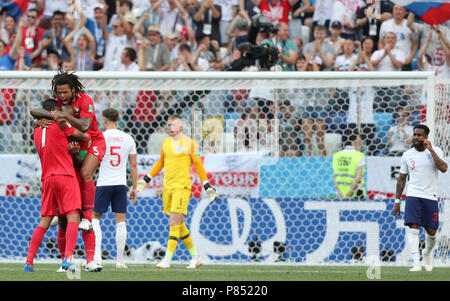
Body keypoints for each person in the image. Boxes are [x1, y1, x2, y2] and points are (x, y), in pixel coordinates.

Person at [30, 71, 106, 272]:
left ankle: (89, 220)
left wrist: (61, 115)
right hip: (73, 147)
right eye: (59, 92)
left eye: (65, 92)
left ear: (73, 89)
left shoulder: (85, 100)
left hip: (91, 142)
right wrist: (47, 117)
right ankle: (65, 261)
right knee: (68, 215)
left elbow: (86, 126)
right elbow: (35, 111)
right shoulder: (55, 101)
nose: (62, 96)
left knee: (85, 175)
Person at [136, 115, 218, 269]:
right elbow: (161, 162)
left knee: (173, 221)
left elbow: (198, 165)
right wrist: (146, 179)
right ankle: (195, 257)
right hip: (168, 187)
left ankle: (167, 259)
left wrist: (206, 185)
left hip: (182, 186)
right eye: (168, 124)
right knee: (179, 224)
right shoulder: (166, 142)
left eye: (173, 124)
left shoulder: (190, 143)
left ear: (181, 126)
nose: (170, 127)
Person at [24, 99, 90, 272]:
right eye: (59, 110)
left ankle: (28, 262)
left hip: (47, 178)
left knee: (45, 220)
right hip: (66, 176)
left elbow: (35, 113)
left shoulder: (37, 130)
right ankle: (67, 259)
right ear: (54, 111)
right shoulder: (61, 125)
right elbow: (84, 135)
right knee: (73, 216)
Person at [394, 124, 447, 272]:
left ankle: (427, 253)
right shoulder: (407, 155)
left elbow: (443, 168)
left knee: (432, 232)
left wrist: (430, 150)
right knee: (414, 230)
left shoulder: (436, 151)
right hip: (413, 195)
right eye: (415, 135)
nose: (416, 138)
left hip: (430, 197)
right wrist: (397, 201)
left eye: (419, 135)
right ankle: (416, 263)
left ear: (426, 137)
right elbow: (401, 179)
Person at [92, 108, 138, 269]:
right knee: (121, 221)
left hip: (104, 183)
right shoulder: (128, 138)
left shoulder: (100, 137)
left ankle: (97, 258)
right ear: (117, 119)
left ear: (104, 120)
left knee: (95, 218)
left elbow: (94, 161)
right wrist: (135, 187)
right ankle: (120, 261)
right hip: (120, 184)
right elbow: (133, 165)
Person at [332, 134, 367, 199]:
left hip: (340, 194)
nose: (361, 143)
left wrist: (341, 195)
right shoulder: (360, 156)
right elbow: (358, 178)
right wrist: (348, 196)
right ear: (352, 142)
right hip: (355, 194)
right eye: (359, 141)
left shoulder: (336, 155)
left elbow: (334, 179)